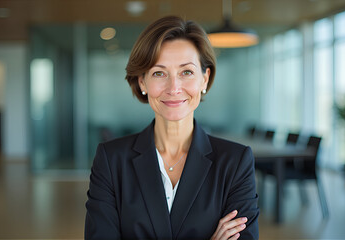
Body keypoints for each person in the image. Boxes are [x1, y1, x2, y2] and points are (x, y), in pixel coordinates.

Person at [85, 15, 259, 239]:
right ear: (142, 81)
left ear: (204, 79)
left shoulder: (236, 162)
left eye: (186, 72)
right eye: (159, 73)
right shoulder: (111, 160)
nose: (174, 88)